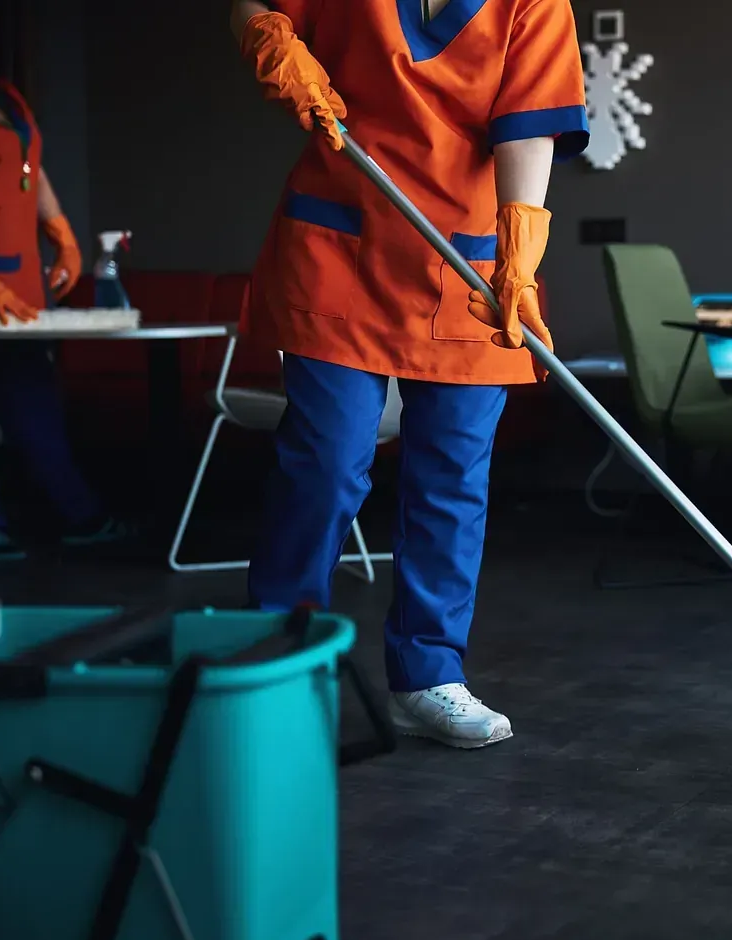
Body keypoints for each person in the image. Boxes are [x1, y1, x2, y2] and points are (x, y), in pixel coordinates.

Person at [229, 0, 587, 746]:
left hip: (467, 260)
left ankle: (428, 675)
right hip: (339, 244)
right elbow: (254, 7)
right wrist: (268, 38)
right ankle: (273, 663)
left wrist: (520, 255)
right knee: (324, 463)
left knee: (451, 473)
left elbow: (530, 126)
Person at [0, 3, 134, 564]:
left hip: (23, 279)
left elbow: (30, 171)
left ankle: (79, 515)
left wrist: (60, 232)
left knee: (34, 403)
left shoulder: (8, 97)